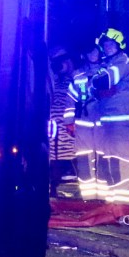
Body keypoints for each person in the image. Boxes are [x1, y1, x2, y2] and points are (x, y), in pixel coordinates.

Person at [92, 27, 129, 204]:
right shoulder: (108, 65)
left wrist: (102, 86)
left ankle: (122, 204)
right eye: (105, 44)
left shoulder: (123, 63)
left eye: (111, 43)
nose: (108, 47)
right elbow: (94, 86)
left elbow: (103, 81)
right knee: (110, 163)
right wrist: (101, 87)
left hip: (123, 122)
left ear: (119, 44)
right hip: (108, 123)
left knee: (121, 162)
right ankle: (113, 202)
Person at [68, 44, 105, 199]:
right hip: (83, 122)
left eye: (94, 51)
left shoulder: (108, 71)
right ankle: (88, 197)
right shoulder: (78, 75)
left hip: (104, 123)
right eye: (89, 51)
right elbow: (70, 99)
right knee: (84, 158)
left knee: (103, 158)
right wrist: (69, 121)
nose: (92, 54)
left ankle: (104, 196)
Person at [47, 46, 78, 197]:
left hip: (69, 125)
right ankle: (54, 185)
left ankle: (68, 178)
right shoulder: (54, 81)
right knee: (53, 156)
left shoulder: (74, 78)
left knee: (68, 154)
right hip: (53, 127)